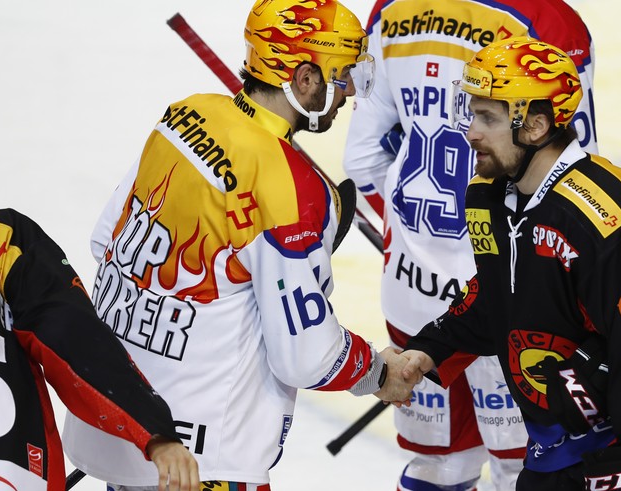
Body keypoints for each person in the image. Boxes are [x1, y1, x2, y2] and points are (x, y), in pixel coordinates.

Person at [61, 0, 417, 489]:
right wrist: (377, 372)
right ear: (305, 78)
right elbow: (306, 355)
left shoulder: (185, 116)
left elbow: (107, 241)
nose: (350, 91)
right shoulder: (290, 188)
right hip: (203, 461)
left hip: (122, 427)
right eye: (343, 75)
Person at [397, 37, 621, 490]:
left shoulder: (605, 212)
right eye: (472, 112)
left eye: (488, 117)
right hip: (552, 446)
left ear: (537, 124)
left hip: (616, 450)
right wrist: (428, 350)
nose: (470, 132)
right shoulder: (488, 196)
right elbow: (499, 296)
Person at [342, 1, 597, 489]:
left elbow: (362, 157)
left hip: (410, 291)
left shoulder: (391, 8)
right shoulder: (549, 21)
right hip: (513, 300)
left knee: (438, 466)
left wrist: (412, 241)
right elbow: (574, 177)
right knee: (523, 467)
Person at [0, 208, 199, 491]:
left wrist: (153, 429)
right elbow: (73, 336)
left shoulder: (0, 237)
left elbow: (72, 334)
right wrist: (154, 430)